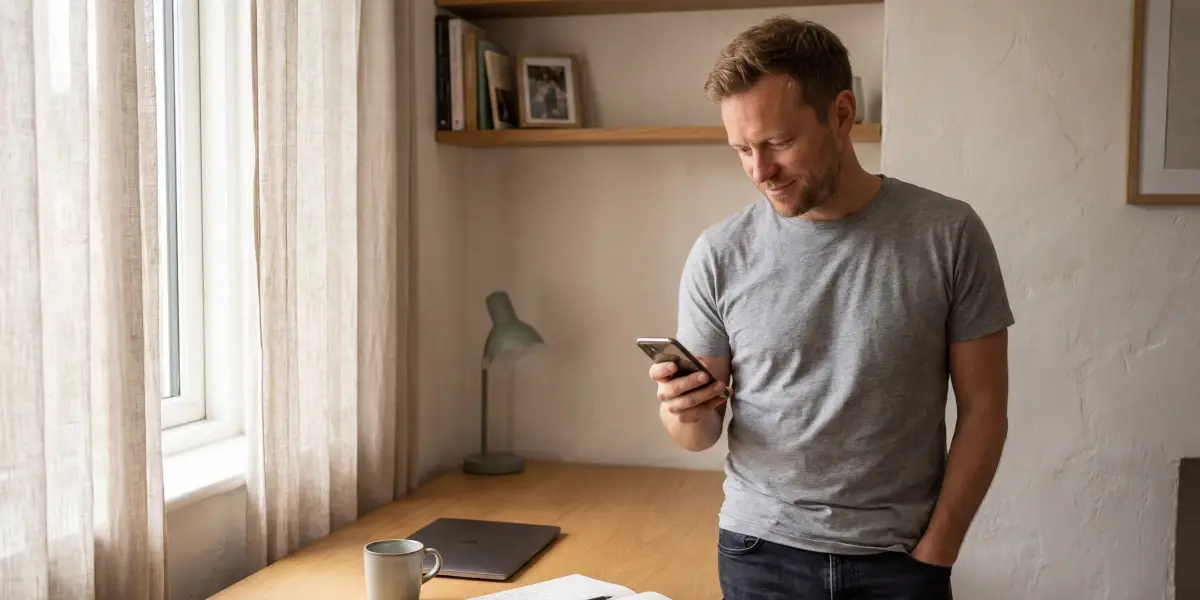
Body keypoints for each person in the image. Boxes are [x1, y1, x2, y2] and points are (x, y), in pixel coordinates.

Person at [648, 16, 1014, 600]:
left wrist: (937, 550)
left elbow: (985, 409)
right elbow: (698, 435)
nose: (759, 172)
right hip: (758, 554)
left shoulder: (949, 234)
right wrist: (682, 410)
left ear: (842, 114)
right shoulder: (719, 253)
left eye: (778, 143)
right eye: (741, 149)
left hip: (900, 560)